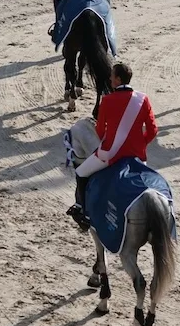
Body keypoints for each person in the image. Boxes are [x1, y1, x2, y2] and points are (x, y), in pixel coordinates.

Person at [66, 62, 159, 230]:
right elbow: (152, 130)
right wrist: (140, 144)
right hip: (138, 156)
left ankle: (84, 211)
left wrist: (109, 141)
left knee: (81, 172)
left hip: (111, 154)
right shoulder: (143, 99)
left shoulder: (107, 100)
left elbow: (100, 130)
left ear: (117, 79)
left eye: (112, 76)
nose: (109, 79)